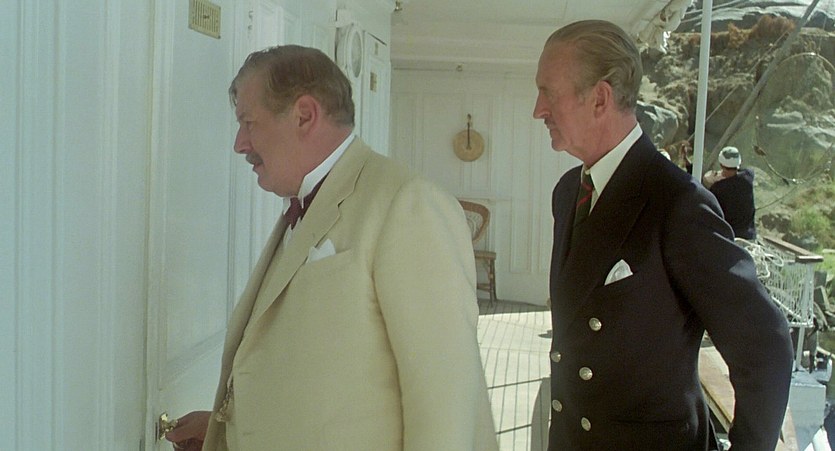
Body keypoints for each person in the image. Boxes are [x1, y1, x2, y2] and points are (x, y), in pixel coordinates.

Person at [165, 45, 498, 451]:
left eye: (249, 123)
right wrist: (224, 433)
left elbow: (447, 408)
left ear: (305, 115)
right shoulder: (305, 203)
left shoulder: (407, 204)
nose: (240, 143)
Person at [533, 20, 793, 450]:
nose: (538, 109)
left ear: (600, 98)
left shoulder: (676, 202)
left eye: (548, 93)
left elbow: (764, 344)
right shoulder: (568, 193)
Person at [703, 146, 757, 240]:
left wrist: (713, 180)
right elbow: (742, 172)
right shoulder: (748, 176)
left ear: (721, 165)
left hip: (730, 237)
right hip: (749, 235)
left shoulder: (718, 189)